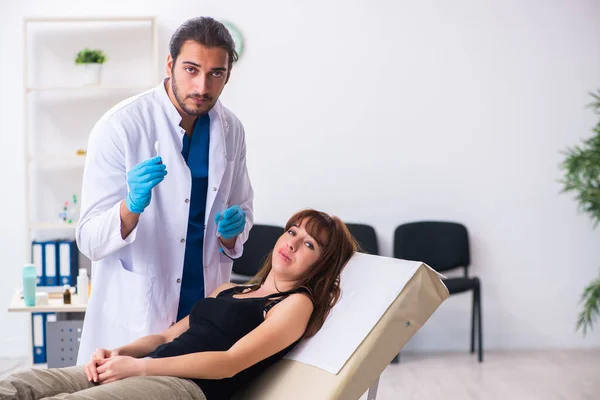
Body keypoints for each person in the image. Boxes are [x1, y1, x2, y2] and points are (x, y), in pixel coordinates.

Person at [1, 209, 357, 400]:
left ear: (321, 264)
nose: (293, 243)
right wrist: (116, 352)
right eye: (293, 231)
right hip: (150, 366)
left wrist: (139, 370)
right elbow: (162, 338)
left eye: (310, 245)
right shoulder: (230, 290)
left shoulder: (295, 304)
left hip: (186, 388)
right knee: (22, 385)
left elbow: (230, 364)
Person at [75, 16, 254, 364]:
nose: (202, 86)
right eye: (191, 69)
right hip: (139, 309)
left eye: (216, 73)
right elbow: (89, 240)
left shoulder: (231, 129)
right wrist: (130, 207)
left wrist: (234, 234)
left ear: (227, 75)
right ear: (170, 64)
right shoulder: (121, 126)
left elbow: (243, 208)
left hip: (202, 309)